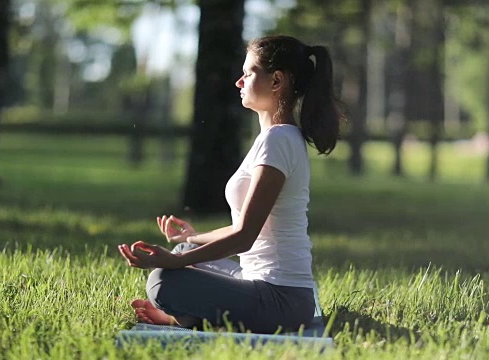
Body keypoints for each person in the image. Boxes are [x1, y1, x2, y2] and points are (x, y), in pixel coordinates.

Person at [118, 35, 344, 334]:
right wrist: (194, 237)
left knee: (164, 281)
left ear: (277, 81)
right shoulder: (275, 138)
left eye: (248, 73)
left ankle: (181, 318)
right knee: (186, 249)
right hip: (263, 285)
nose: (239, 82)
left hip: (281, 300)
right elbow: (248, 226)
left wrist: (175, 261)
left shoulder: (279, 141)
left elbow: (244, 237)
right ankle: (190, 313)